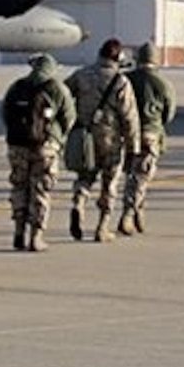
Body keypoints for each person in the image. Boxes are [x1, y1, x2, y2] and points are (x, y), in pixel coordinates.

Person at [66, 38, 141, 240]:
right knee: (109, 182)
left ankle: (78, 203)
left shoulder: (81, 75)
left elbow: (63, 95)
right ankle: (102, 226)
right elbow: (129, 117)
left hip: (85, 135)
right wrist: (134, 148)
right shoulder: (120, 82)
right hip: (110, 138)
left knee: (85, 175)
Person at [2, 52, 75, 250]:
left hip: (17, 145)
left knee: (19, 187)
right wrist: (57, 136)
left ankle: (18, 231)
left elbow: (6, 113)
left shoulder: (17, 87)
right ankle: (36, 236)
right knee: (40, 190)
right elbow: (69, 118)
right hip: (45, 146)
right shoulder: (57, 88)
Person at [119, 42, 177, 234]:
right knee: (142, 176)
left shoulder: (125, 80)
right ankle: (128, 213)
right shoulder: (163, 84)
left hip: (126, 134)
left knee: (132, 174)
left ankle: (138, 210)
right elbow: (169, 113)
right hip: (150, 133)